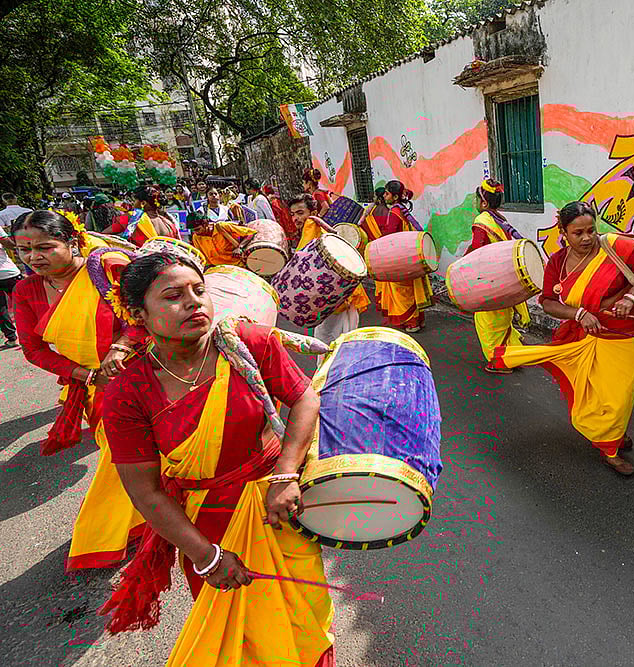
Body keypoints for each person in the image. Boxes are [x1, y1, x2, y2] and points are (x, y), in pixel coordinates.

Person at [98, 252, 334, 666]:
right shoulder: (127, 392)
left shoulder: (248, 344)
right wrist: (206, 556)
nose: (193, 303)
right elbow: (145, 491)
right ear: (139, 314)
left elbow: (304, 398)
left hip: (277, 506)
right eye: (173, 296)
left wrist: (285, 475)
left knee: (302, 614)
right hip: (206, 526)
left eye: (199, 291)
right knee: (239, 633)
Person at [10, 210, 147, 566]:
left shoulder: (107, 269)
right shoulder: (26, 290)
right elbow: (33, 350)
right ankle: (133, 523)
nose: (33, 257)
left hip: (145, 372)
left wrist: (121, 347)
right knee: (122, 457)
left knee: (140, 454)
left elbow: (145, 313)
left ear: (72, 242)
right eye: (24, 250)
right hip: (93, 386)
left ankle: (120, 527)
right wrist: (85, 374)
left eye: (45, 247)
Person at [492, 201, 634, 477]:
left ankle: (613, 433)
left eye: (591, 231)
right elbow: (547, 302)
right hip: (583, 338)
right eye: (578, 232)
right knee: (598, 395)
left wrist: (630, 296)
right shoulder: (557, 262)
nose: (587, 238)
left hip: (627, 335)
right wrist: (579, 314)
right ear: (564, 232)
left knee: (620, 396)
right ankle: (611, 448)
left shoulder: (614, 246)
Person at [464, 178, 530, 373]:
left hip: (489, 281)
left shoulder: (482, 221)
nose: (476, 203)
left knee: (489, 324)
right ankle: (513, 357)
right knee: (503, 321)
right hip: (505, 280)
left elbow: (478, 252)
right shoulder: (501, 220)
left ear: (483, 203)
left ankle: (500, 363)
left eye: (477, 199)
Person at [286, 194, 368, 341]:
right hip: (340, 295)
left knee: (330, 342)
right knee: (342, 339)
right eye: (292, 214)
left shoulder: (311, 225)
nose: (295, 218)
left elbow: (301, 259)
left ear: (312, 213)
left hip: (336, 299)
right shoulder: (320, 229)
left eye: (300, 213)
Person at [369, 180, 432, 333]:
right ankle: (419, 320)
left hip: (400, 257)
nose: (385, 196)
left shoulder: (395, 213)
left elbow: (389, 236)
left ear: (395, 197)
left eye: (387, 193)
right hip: (410, 255)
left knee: (402, 291)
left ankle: (411, 323)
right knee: (410, 289)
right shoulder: (402, 210)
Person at [106, 185, 179, 246]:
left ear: (143, 203)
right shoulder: (168, 222)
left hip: (144, 261)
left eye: (135, 200)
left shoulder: (133, 217)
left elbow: (103, 235)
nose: (133, 203)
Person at [189, 209, 257, 268]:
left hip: (237, 264)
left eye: (197, 229)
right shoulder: (196, 237)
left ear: (205, 224)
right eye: (193, 230)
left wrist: (239, 247)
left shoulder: (222, 226)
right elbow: (202, 257)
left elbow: (250, 233)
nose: (195, 232)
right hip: (217, 268)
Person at [0, 219, 23, 346]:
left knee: (0, 309)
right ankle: (40, 330)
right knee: (25, 301)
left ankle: (12, 338)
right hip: (8, 272)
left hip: (7, 272)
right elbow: (7, 243)